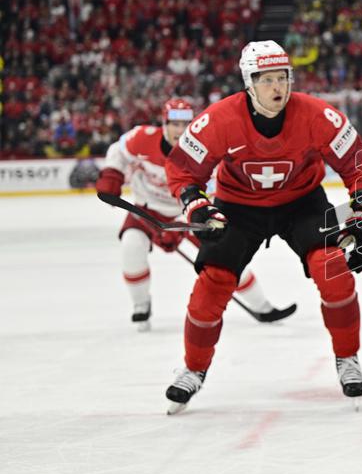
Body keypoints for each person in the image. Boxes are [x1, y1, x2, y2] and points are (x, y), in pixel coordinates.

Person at [162, 41, 362, 414]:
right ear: (249, 83)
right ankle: (193, 369)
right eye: (267, 80)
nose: (277, 87)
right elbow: (183, 167)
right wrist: (195, 203)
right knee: (212, 284)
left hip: (302, 203)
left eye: (283, 77)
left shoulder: (317, 115)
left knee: (334, 272)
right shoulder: (219, 119)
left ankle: (348, 359)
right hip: (238, 207)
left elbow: (359, 163)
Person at [95, 98, 291, 330]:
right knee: (131, 247)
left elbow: (216, 188)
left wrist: (182, 224)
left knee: (226, 257)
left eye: (185, 124)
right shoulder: (142, 137)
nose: (180, 131)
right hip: (146, 211)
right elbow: (117, 151)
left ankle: (262, 306)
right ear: (164, 123)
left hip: (190, 216)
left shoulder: (205, 149)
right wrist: (112, 175)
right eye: (174, 124)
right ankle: (141, 305)